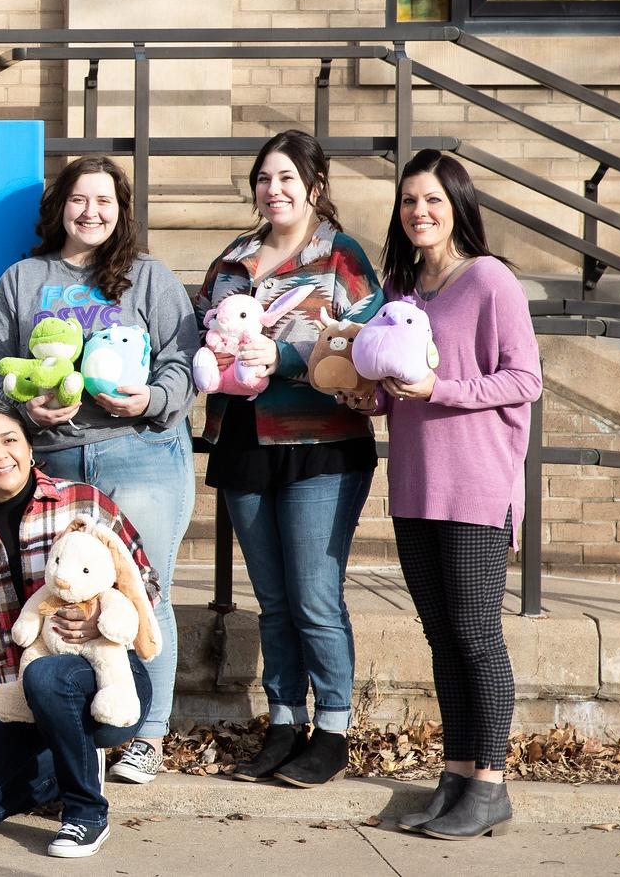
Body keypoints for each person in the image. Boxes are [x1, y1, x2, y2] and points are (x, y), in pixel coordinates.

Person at [0, 156, 198, 785]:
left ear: (121, 209)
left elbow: (182, 361)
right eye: (79, 199)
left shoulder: (149, 278)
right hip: (56, 461)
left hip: (142, 454)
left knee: (143, 593)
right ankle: (83, 731)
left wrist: (148, 400)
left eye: (105, 200)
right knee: (61, 595)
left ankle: (146, 735)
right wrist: (28, 408)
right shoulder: (23, 279)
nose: (92, 212)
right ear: (59, 207)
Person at [196, 130, 382, 786]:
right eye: (262, 179)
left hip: (320, 448)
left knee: (312, 598)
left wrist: (290, 358)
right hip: (244, 444)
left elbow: (370, 341)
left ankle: (331, 728)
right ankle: (282, 721)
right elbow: (203, 331)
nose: (271, 190)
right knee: (272, 601)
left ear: (313, 186)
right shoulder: (231, 260)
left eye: (284, 178)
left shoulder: (340, 258)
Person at [369, 150, 541, 839]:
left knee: (475, 635)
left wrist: (439, 390)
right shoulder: (398, 288)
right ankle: (456, 771)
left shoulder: (490, 280)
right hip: (414, 486)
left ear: (458, 206)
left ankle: (490, 784)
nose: (419, 212)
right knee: (441, 638)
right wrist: (369, 395)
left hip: (475, 486)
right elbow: (393, 388)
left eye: (432, 200)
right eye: (409, 200)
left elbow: (522, 378)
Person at [0, 401, 163, 859]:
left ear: (30, 447)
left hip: (110, 682)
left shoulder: (83, 502)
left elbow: (147, 582)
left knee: (48, 675)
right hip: (29, 700)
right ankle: (66, 760)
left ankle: (86, 813)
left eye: (9, 440)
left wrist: (102, 619)